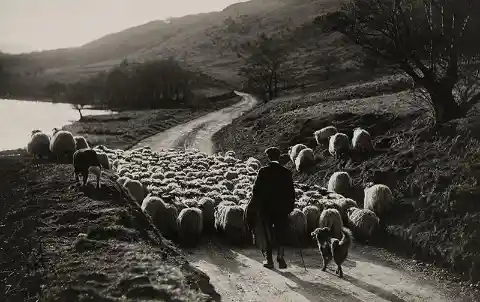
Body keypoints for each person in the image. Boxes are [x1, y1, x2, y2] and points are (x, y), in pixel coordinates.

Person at [246, 147, 296, 269]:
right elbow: (291, 193)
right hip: (282, 209)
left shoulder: (263, 171)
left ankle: (269, 260)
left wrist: (255, 206)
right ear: (279, 157)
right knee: (281, 232)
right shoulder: (286, 172)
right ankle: (281, 257)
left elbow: (256, 191)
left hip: (266, 209)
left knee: (266, 232)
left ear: (268, 157)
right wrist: (289, 208)